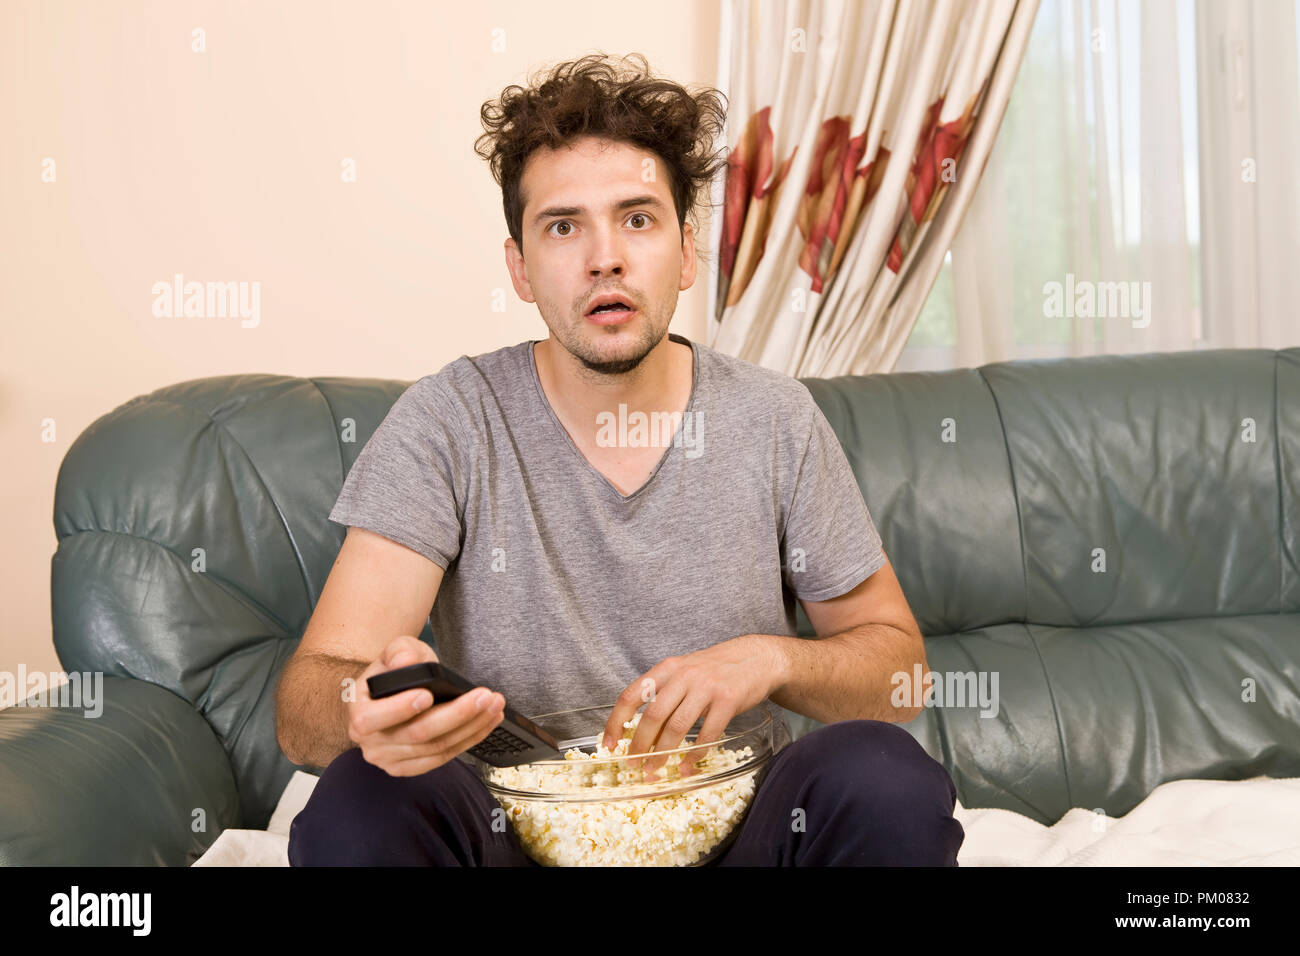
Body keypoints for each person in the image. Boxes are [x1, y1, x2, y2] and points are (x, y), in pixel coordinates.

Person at [277, 52, 964, 866]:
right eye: (563, 226)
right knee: (358, 799)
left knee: (885, 777)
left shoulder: (774, 419)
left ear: (687, 250)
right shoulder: (449, 421)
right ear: (520, 268)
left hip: (738, 836)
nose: (605, 257)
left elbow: (903, 675)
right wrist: (366, 708)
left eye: (638, 218)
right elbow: (303, 707)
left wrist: (771, 658)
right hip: (515, 836)